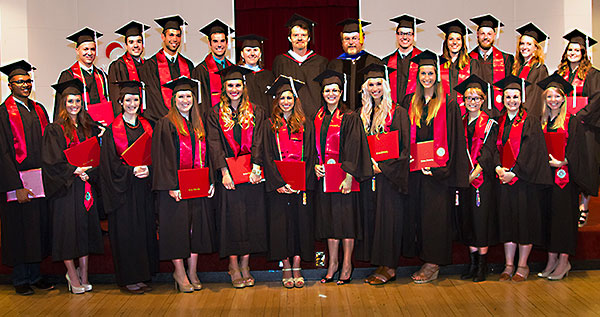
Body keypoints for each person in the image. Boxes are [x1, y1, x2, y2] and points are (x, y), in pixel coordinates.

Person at [399, 50, 469, 283]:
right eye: (423, 73)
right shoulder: (410, 102)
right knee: (419, 215)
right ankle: (424, 257)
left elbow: (455, 140)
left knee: (435, 218)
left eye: (430, 73)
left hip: (438, 173)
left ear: (437, 76)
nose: (426, 77)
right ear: (417, 75)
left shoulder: (448, 103)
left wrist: (441, 168)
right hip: (416, 170)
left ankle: (433, 263)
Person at [152, 76, 216, 293]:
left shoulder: (199, 123)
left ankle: (193, 271)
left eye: (188, 96)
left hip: (197, 185)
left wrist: (210, 181)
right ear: (173, 99)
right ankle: (179, 272)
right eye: (180, 96)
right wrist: (172, 185)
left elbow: (207, 157)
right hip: (175, 189)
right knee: (177, 230)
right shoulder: (165, 123)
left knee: (195, 229)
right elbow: (162, 157)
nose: (185, 100)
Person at [206, 66, 267, 288]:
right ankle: (233, 265)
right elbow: (214, 144)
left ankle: (246, 264)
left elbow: (260, 140)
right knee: (230, 219)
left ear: (244, 87)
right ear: (224, 88)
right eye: (230, 85)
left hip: (252, 174)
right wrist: (224, 172)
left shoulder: (257, 111)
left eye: (237, 85)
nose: (234, 89)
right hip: (228, 176)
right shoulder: (214, 113)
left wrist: (257, 168)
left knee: (251, 218)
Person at [42, 79, 104, 294]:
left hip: (86, 187)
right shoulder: (55, 129)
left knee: (84, 231)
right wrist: (74, 170)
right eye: (70, 101)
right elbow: (51, 161)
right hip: (66, 189)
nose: (74, 104)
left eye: (77, 100)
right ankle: (72, 274)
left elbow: (98, 157)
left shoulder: (89, 127)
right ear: (62, 103)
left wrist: (90, 171)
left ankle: (84, 273)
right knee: (68, 233)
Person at [311, 69, 372, 285]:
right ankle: (332, 264)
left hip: (346, 179)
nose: (331, 94)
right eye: (327, 90)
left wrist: (348, 176)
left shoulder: (350, 117)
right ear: (323, 93)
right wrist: (316, 166)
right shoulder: (317, 117)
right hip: (326, 179)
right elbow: (313, 148)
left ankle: (347, 264)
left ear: (341, 93)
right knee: (329, 222)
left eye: (335, 90)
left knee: (346, 223)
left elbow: (354, 148)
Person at [0, 60, 54, 295]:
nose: (25, 85)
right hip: (18, 181)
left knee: (37, 228)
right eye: (20, 82)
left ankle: (36, 274)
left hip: (40, 180)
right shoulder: (3, 113)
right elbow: (2, 151)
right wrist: (15, 185)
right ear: (10, 85)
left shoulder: (39, 108)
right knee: (19, 229)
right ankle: (20, 278)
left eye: (28, 81)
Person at [354, 64, 410, 285]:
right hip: (370, 176)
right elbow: (357, 145)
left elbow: (404, 149)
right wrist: (367, 164)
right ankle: (380, 263)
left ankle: (390, 267)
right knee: (375, 219)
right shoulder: (363, 113)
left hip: (389, 177)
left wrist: (383, 167)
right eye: (371, 84)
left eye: (378, 84)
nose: (375, 88)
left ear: (385, 86)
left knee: (389, 220)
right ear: (365, 88)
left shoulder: (398, 112)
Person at [100, 80, 158, 294]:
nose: (132, 103)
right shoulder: (111, 130)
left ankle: (143, 275)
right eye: (128, 100)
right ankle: (129, 278)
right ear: (120, 102)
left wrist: (149, 169)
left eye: (135, 99)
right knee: (127, 233)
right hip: (123, 192)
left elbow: (157, 155)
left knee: (143, 231)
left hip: (143, 189)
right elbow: (108, 164)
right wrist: (130, 171)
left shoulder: (148, 125)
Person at [493, 75, 552, 282]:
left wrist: (514, 172)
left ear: (522, 98)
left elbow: (531, 152)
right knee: (507, 222)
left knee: (524, 222)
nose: (511, 100)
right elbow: (492, 149)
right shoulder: (498, 122)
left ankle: (523, 265)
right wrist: (499, 168)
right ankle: (508, 265)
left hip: (524, 182)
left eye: (515, 97)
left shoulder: (530, 121)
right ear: (502, 98)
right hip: (504, 181)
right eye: (508, 97)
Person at [537, 74, 593, 280]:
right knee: (549, 219)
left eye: (556, 96)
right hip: (546, 178)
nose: (553, 100)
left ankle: (564, 261)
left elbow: (578, 150)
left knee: (563, 221)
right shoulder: (542, 121)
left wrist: (564, 161)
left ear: (563, 98)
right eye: (549, 96)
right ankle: (551, 259)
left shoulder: (572, 120)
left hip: (565, 179)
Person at [263, 76, 316, 288]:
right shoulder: (269, 125)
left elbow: (311, 154)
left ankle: (297, 264)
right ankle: (285, 265)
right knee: (280, 226)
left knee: (300, 224)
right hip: (279, 188)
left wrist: (301, 181)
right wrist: (278, 183)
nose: (286, 101)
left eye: (289, 97)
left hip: (300, 186)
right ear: (276, 100)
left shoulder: (305, 124)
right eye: (282, 98)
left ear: (295, 99)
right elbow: (267, 156)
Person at [453, 74, 498, 282]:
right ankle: (472, 264)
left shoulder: (490, 124)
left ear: (483, 100)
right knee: (468, 220)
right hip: (464, 182)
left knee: (481, 221)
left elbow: (488, 153)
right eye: (469, 98)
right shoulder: (459, 123)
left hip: (481, 182)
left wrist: (473, 174)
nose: (472, 102)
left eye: (477, 98)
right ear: (464, 100)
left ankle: (482, 266)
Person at [557, 29, 600, 227]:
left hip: (585, 127)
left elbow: (596, 100)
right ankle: (570, 205)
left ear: (584, 53)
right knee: (567, 164)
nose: (573, 53)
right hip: (564, 127)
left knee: (587, 166)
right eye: (570, 50)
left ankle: (584, 206)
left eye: (577, 50)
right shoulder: (560, 74)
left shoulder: (593, 74)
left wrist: (578, 116)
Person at [272, 14, 328, 118]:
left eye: (303, 35)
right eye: (296, 35)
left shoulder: (321, 62)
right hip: (289, 116)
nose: (300, 38)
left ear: (309, 38)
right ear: (289, 38)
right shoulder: (281, 61)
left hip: (316, 116)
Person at [141, 15, 195, 124]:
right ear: (163, 37)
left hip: (185, 122)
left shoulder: (188, 65)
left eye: (178, 35)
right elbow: (154, 98)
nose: (174, 39)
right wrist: (172, 120)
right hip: (161, 123)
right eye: (171, 35)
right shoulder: (150, 66)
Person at [53, 27, 109, 121]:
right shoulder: (68, 76)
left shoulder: (102, 76)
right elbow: (61, 107)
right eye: (85, 49)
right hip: (79, 127)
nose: (89, 53)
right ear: (77, 50)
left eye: (92, 49)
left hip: (103, 124)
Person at [327, 19, 382, 110]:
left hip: (368, 115)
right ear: (342, 42)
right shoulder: (334, 64)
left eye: (354, 38)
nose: (351, 42)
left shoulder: (373, 62)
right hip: (341, 117)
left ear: (362, 39)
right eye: (347, 39)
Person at [469, 14, 514, 117]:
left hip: (499, 113)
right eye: (482, 34)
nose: (486, 37)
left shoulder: (506, 59)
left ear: (494, 35)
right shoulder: (468, 59)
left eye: (489, 34)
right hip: (475, 112)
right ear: (477, 35)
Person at [107, 21, 150, 116]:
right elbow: (115, 97)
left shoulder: (149, 65)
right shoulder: (117, 66)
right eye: (131, 42)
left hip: (148, 117)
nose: (136, 45)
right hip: (127, 117)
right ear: (126, 45)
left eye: (139, 41)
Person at [193, 19, 235, 112]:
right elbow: (199, 103)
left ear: (227, 43)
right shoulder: (201, 70)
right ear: (209, 44)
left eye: (222, 41)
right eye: (215, 41)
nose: (219, 45)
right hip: (210, 120)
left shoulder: (232, 69)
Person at [383, 14, 425, 103]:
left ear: (414, 36)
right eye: (401, 33)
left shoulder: (423, 60)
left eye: (409, 33)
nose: (405, 37)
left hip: (417, 109)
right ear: (396, 35)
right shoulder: (386, 62)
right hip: (394, 112)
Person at [512, 23, 549, 119]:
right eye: (522, 44)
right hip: (516, 112)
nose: (524, 47)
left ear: (536, 48)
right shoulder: (517, 68)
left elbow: (538, 97)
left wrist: (526, 114)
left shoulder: (540, 68)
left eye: (529, 44)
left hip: (530, 116)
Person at [438, 19, 474, 112]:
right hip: (442, 113)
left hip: (465, 114)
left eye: (458, 39)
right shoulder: (437, 63)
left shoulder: (472, 64)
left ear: (462, 43)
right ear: (446, 42)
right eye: (451, 39)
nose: (455, 42)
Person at [236, 34, 275, 116]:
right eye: (248, 50)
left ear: (260, 54)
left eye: (255, 50)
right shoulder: (237, 74)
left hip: (265, 120)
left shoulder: (269, 75)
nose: (252, 53)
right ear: (242, 54)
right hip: (245, 120)